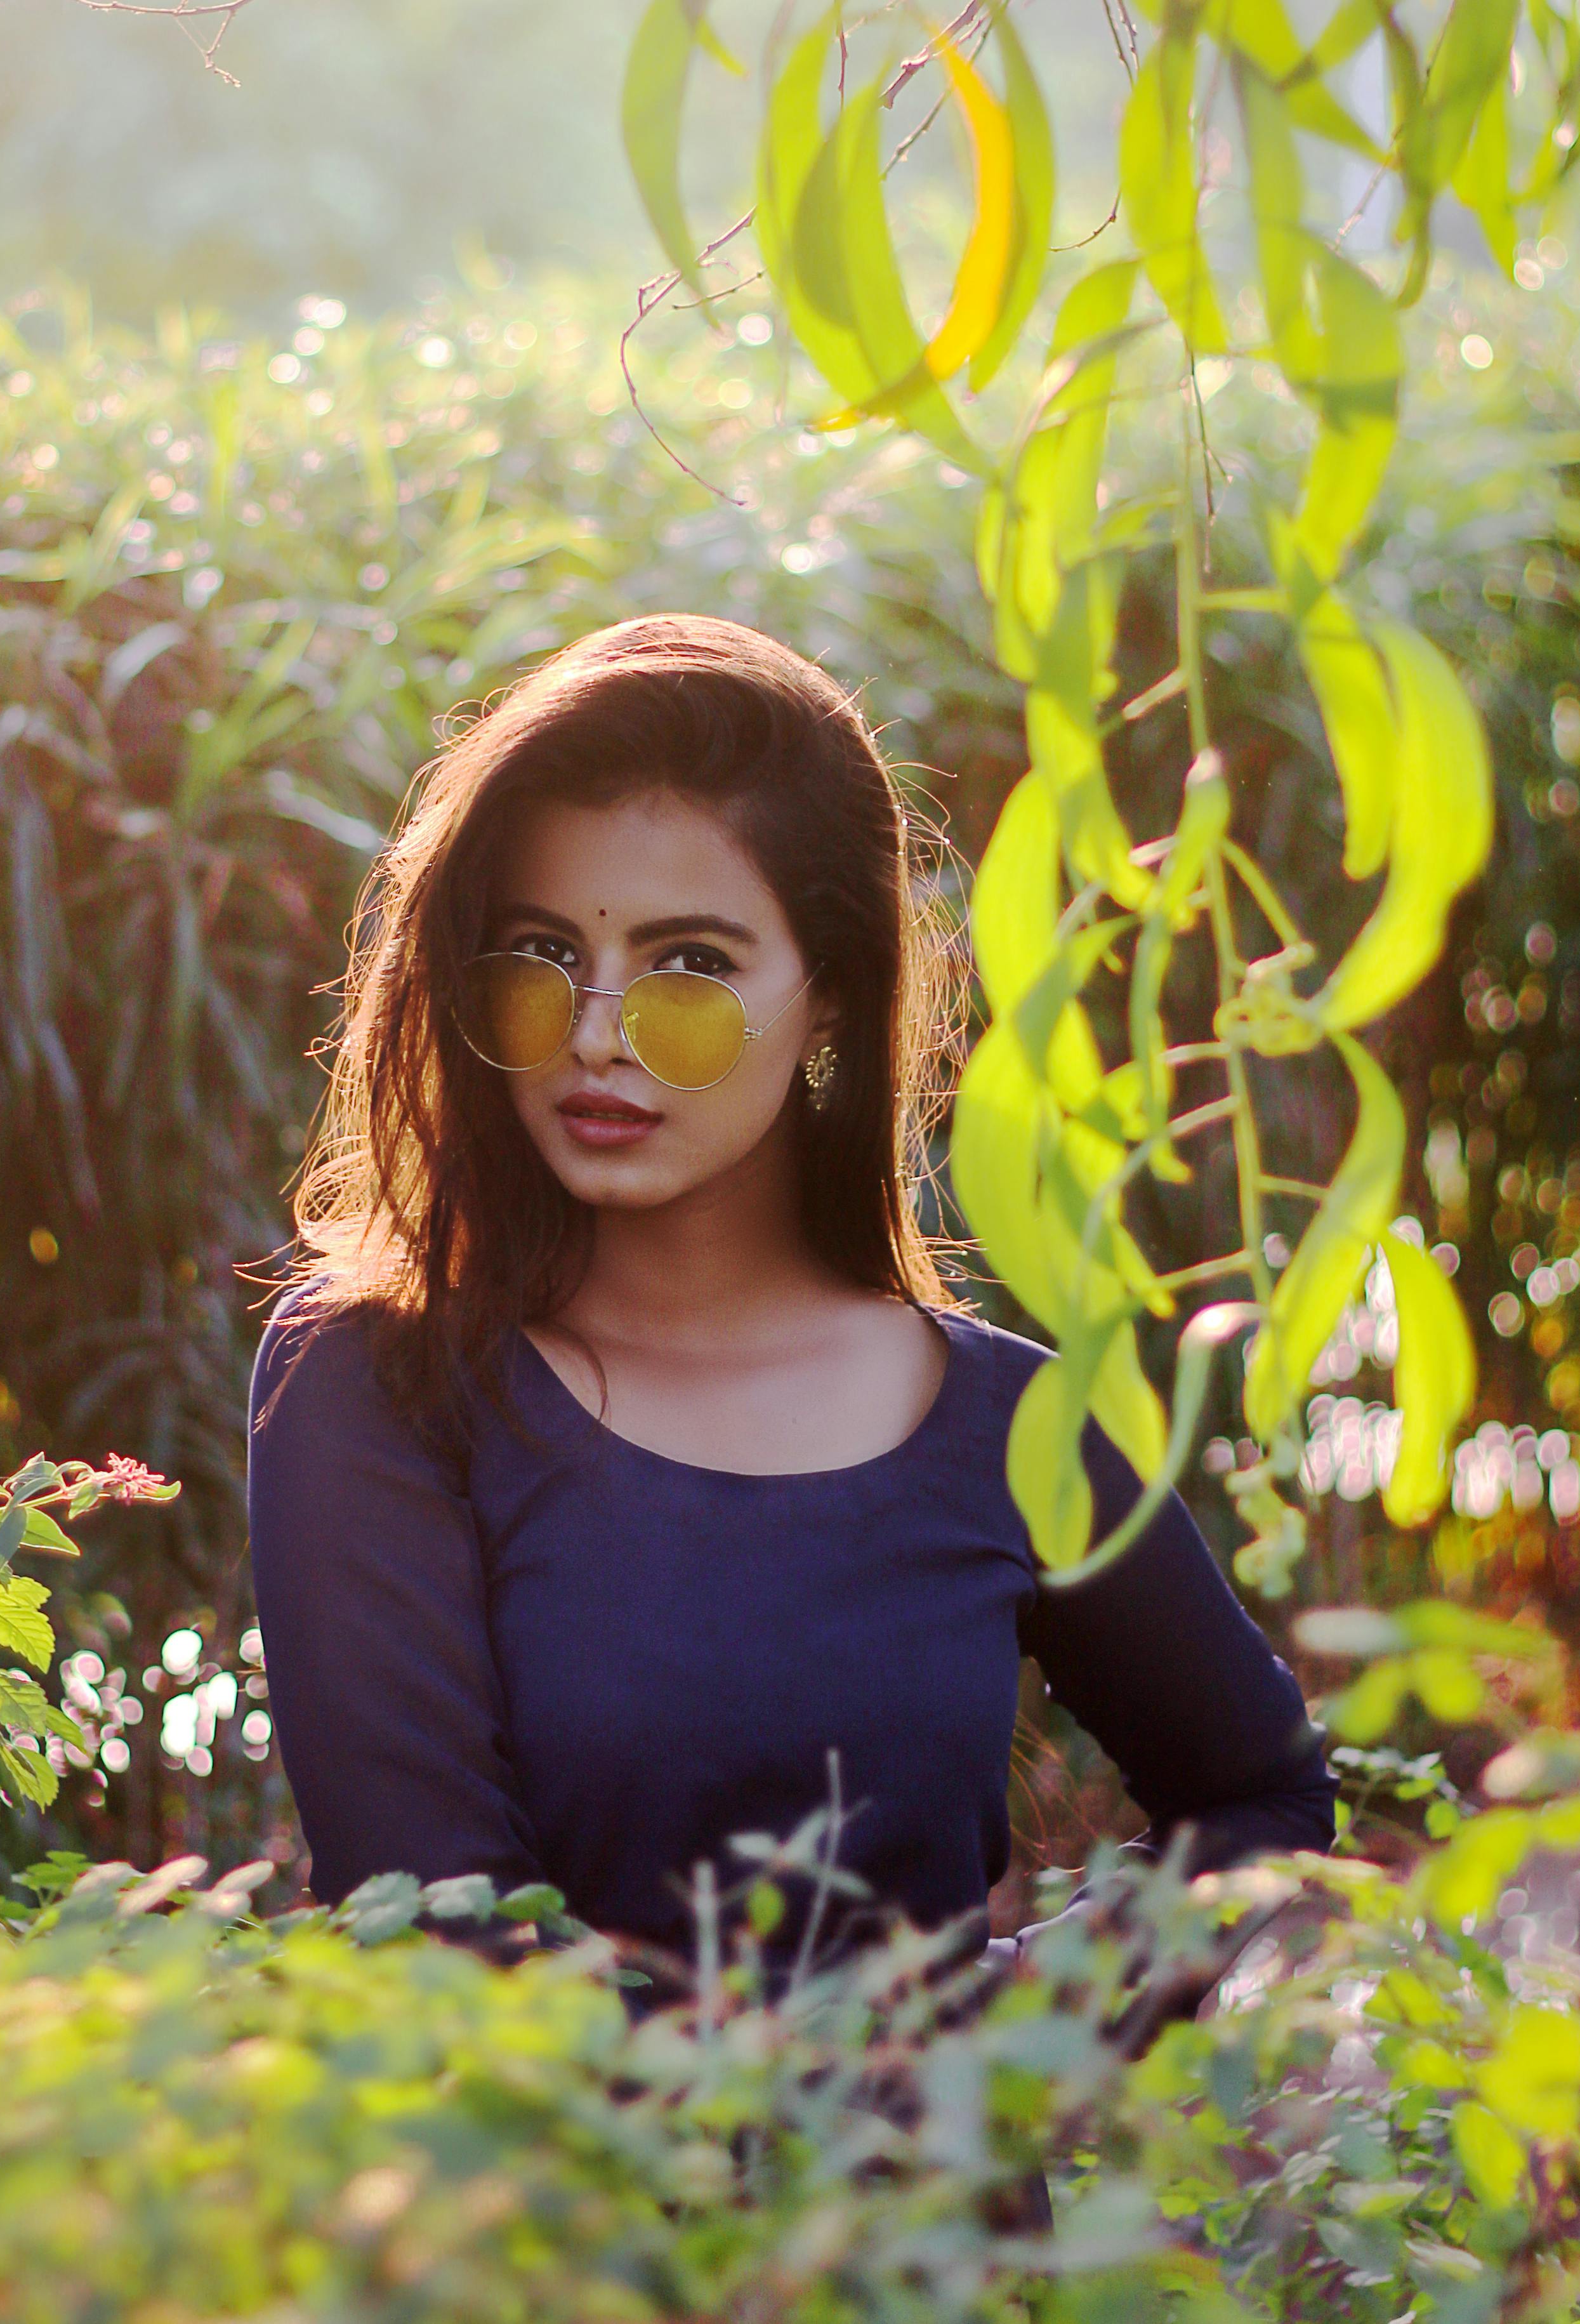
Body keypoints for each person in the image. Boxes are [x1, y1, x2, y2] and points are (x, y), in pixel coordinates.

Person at [247, 614, 1335, 1966]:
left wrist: (1019, 2041)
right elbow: (431, 1933)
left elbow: (1264, 1796)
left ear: (828, 993)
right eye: (537, 954)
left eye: (689, 965)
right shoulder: (382, 1376)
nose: (594, 1032)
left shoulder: (1007, 1421)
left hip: (925, 2183)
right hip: (535, 2176)